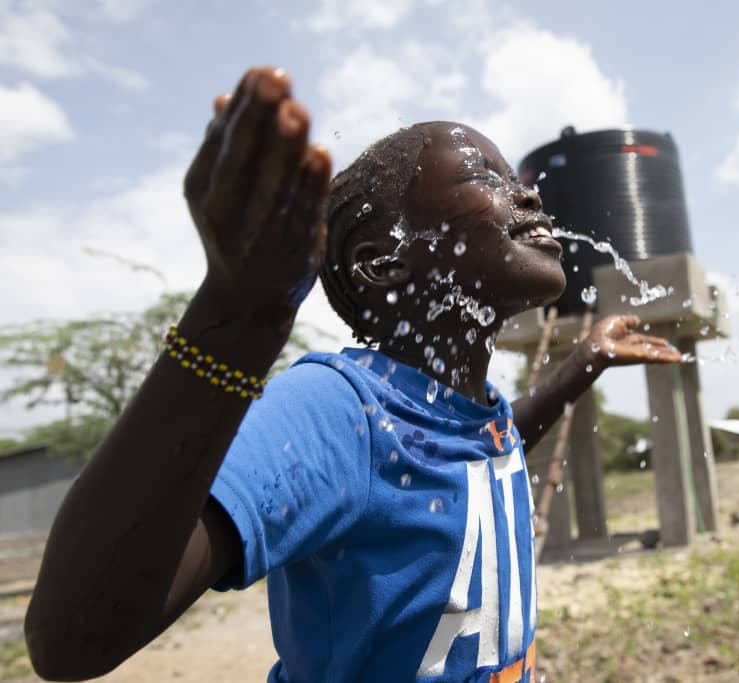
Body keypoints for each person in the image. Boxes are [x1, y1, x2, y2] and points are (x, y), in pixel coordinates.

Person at [24, 66, 682, 682]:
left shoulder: (466, 406)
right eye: (485, 175)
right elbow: (74, 637)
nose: (529, 192)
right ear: (382, 260)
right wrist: (236, 315)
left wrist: (584, 361)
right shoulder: (341, 409)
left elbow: (494, 452)